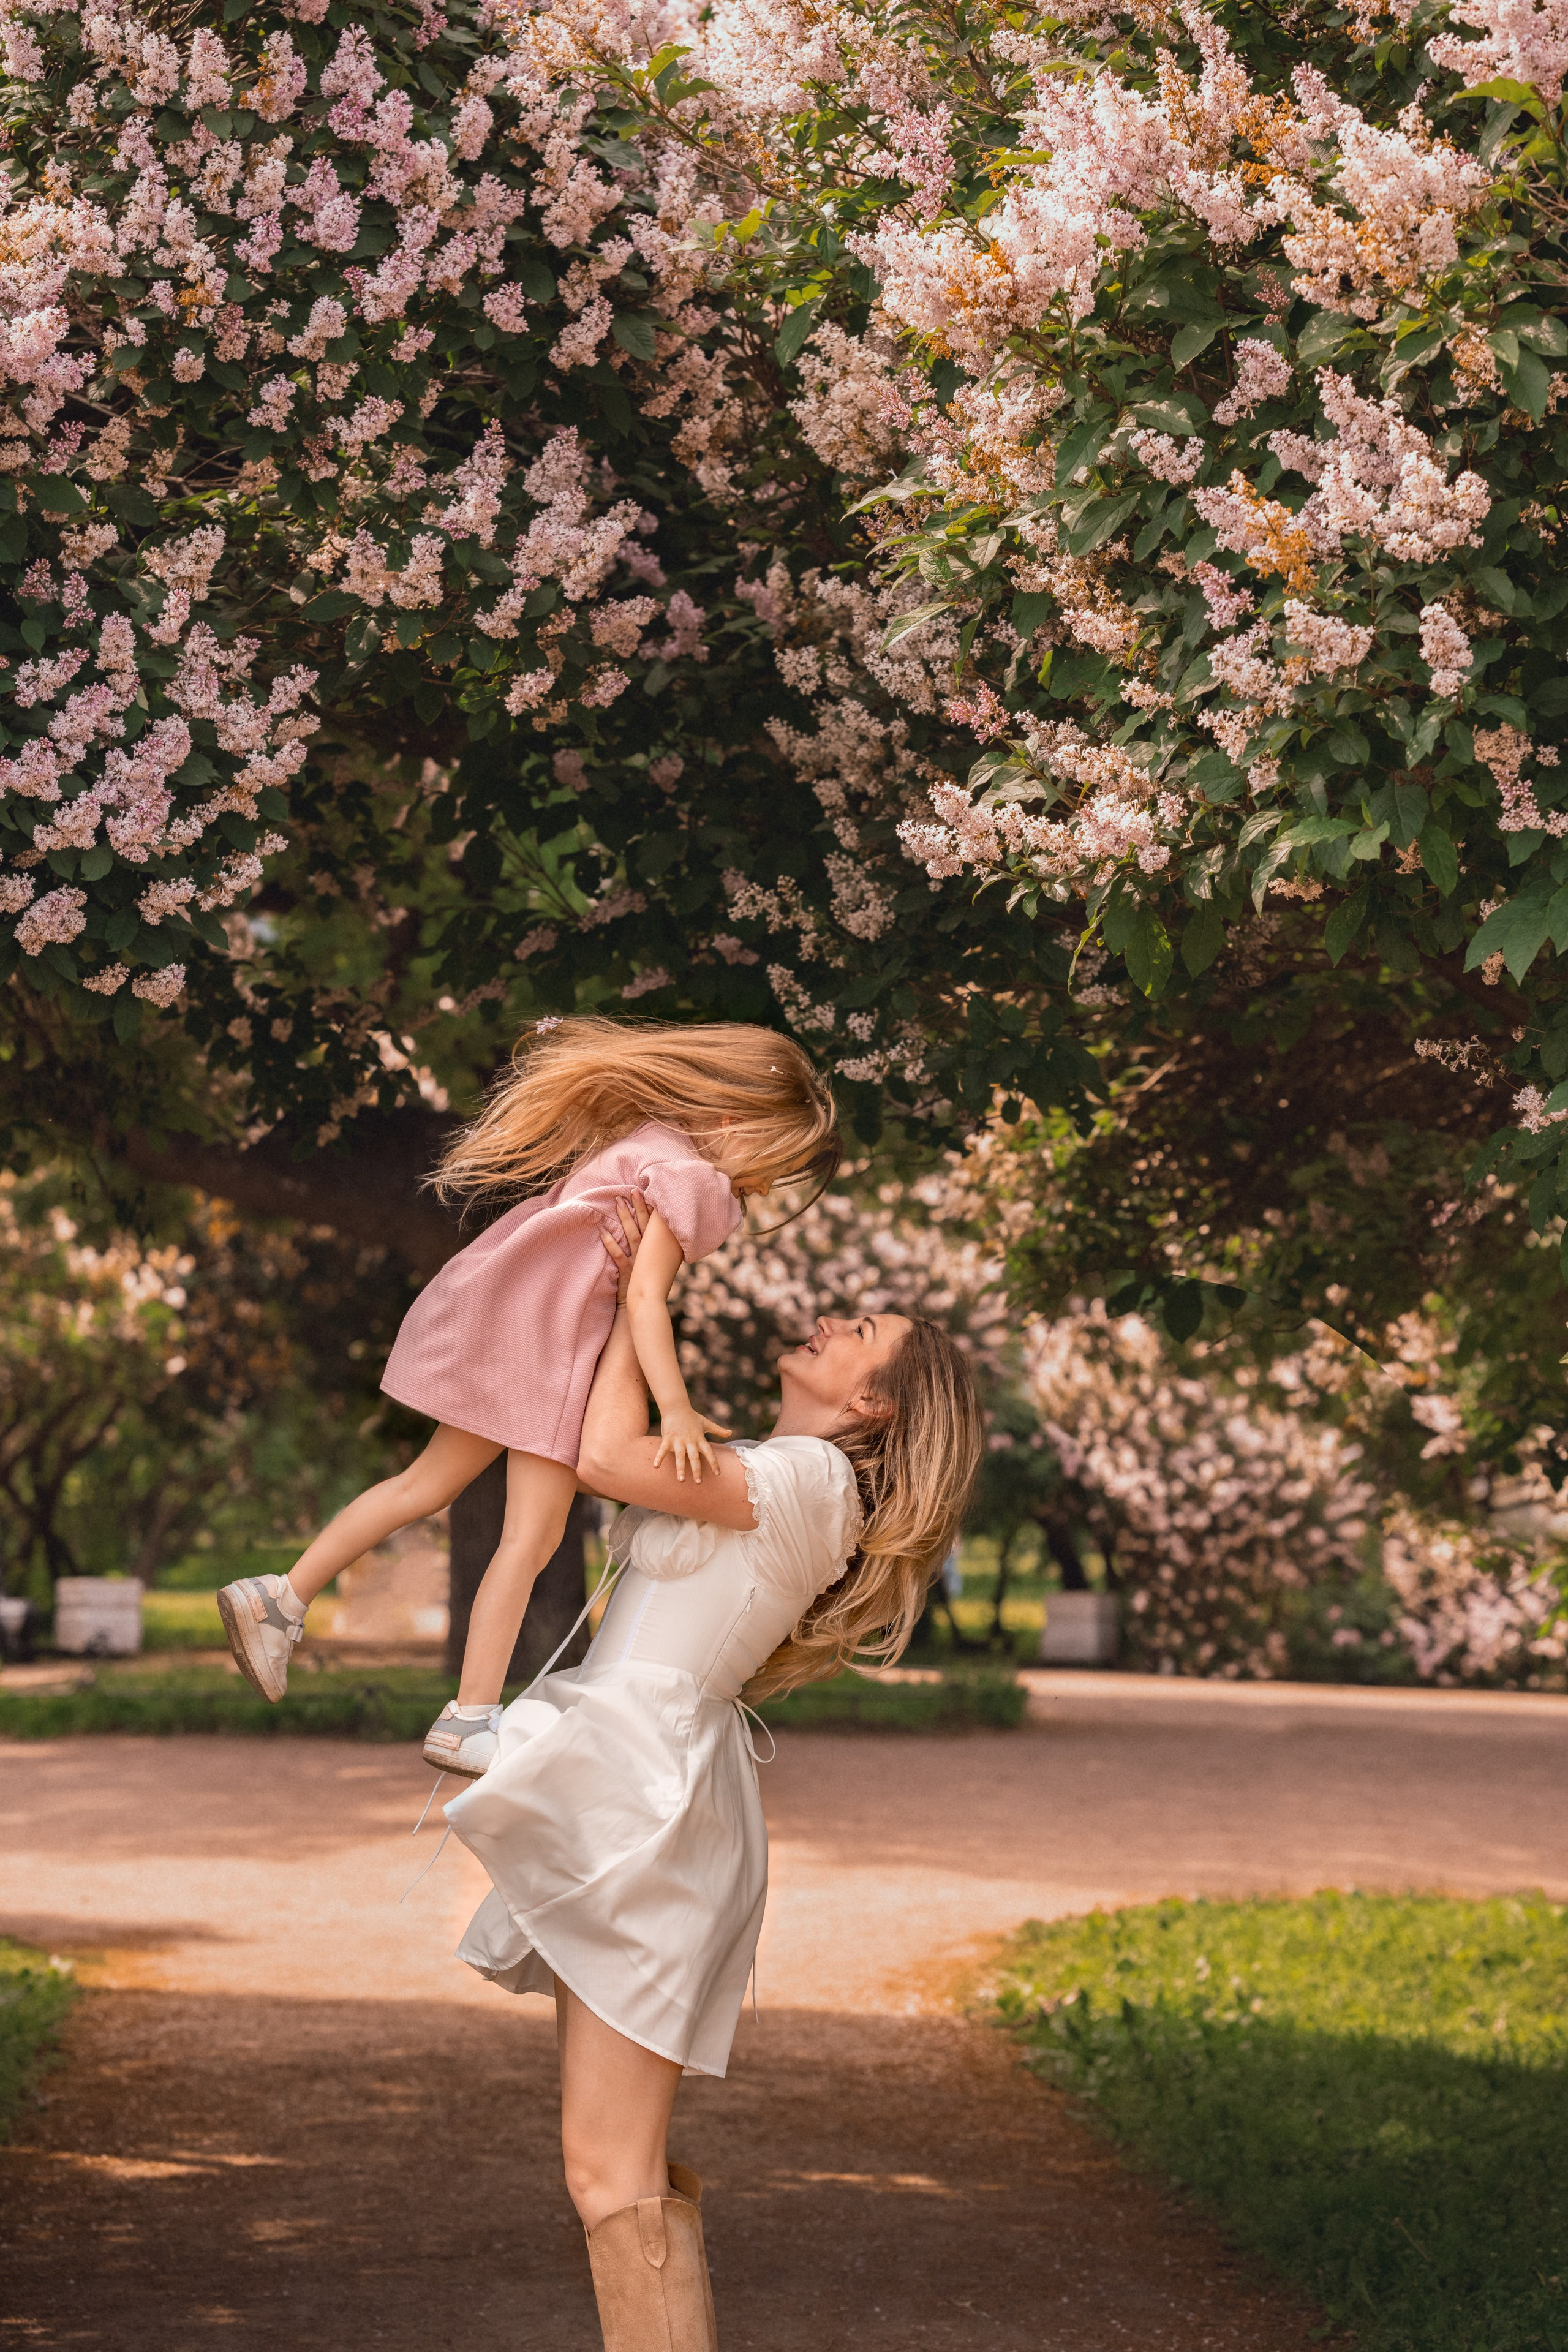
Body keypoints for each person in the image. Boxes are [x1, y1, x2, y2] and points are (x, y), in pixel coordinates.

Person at [445, 1198, 984, 2350]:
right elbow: (611, 1452)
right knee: (610, 2165)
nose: (830, 1322)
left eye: (859, 1332)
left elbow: (603, 1457)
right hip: (635, 1783)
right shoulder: (778, 1467)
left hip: (649, 1797)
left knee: (608, 2168)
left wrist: (641, 1288)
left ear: (874, 1403)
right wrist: (625, 1297)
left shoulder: (811, 1480)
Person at [215, 1017, 838, 1778]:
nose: (763, 1186)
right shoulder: (693, 1179)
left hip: (513, 1322)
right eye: (774, 1163)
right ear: (735, 1123)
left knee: (427, 1487)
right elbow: (644, 1299)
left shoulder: (647, 1143)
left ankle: (283, 1597)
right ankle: (466, 1717)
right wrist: (673, 1407)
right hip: (552, 1346)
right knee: (528, 1539)